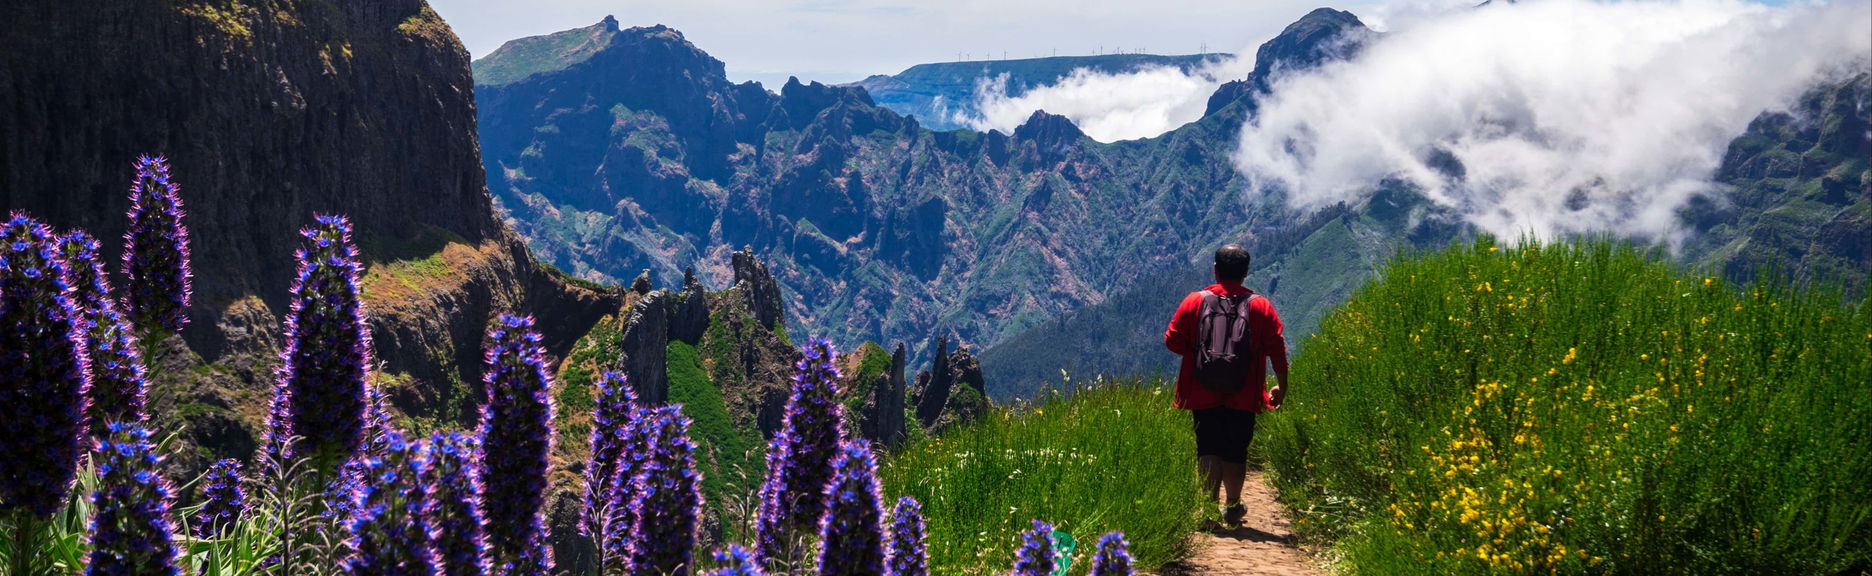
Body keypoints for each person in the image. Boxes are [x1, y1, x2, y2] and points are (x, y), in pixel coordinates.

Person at [1164, 244, 1289, 526]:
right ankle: (1232, 505)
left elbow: (1172, 339)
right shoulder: (1260, 306)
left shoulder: (1195, 301)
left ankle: (1208, 511)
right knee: (1236, 448)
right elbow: (1277, 349)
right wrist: (1282, 385)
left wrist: (1197, 351)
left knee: (1207, 446)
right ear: (1246, 273)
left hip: (1200, 388)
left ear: (1216, 270)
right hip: (1244, 391)